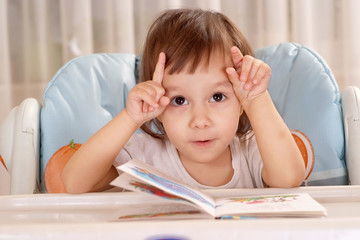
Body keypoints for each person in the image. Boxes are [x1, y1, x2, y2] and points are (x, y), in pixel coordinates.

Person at [62, 8, 305, 193]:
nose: (200, 121)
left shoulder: (253, 150)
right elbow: (75, 183)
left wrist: (257, 99)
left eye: (217, 96)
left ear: (240, 100)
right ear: (158, 106)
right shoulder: (143, 157)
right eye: (179, 100)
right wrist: (131, 117)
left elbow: (289, 179)